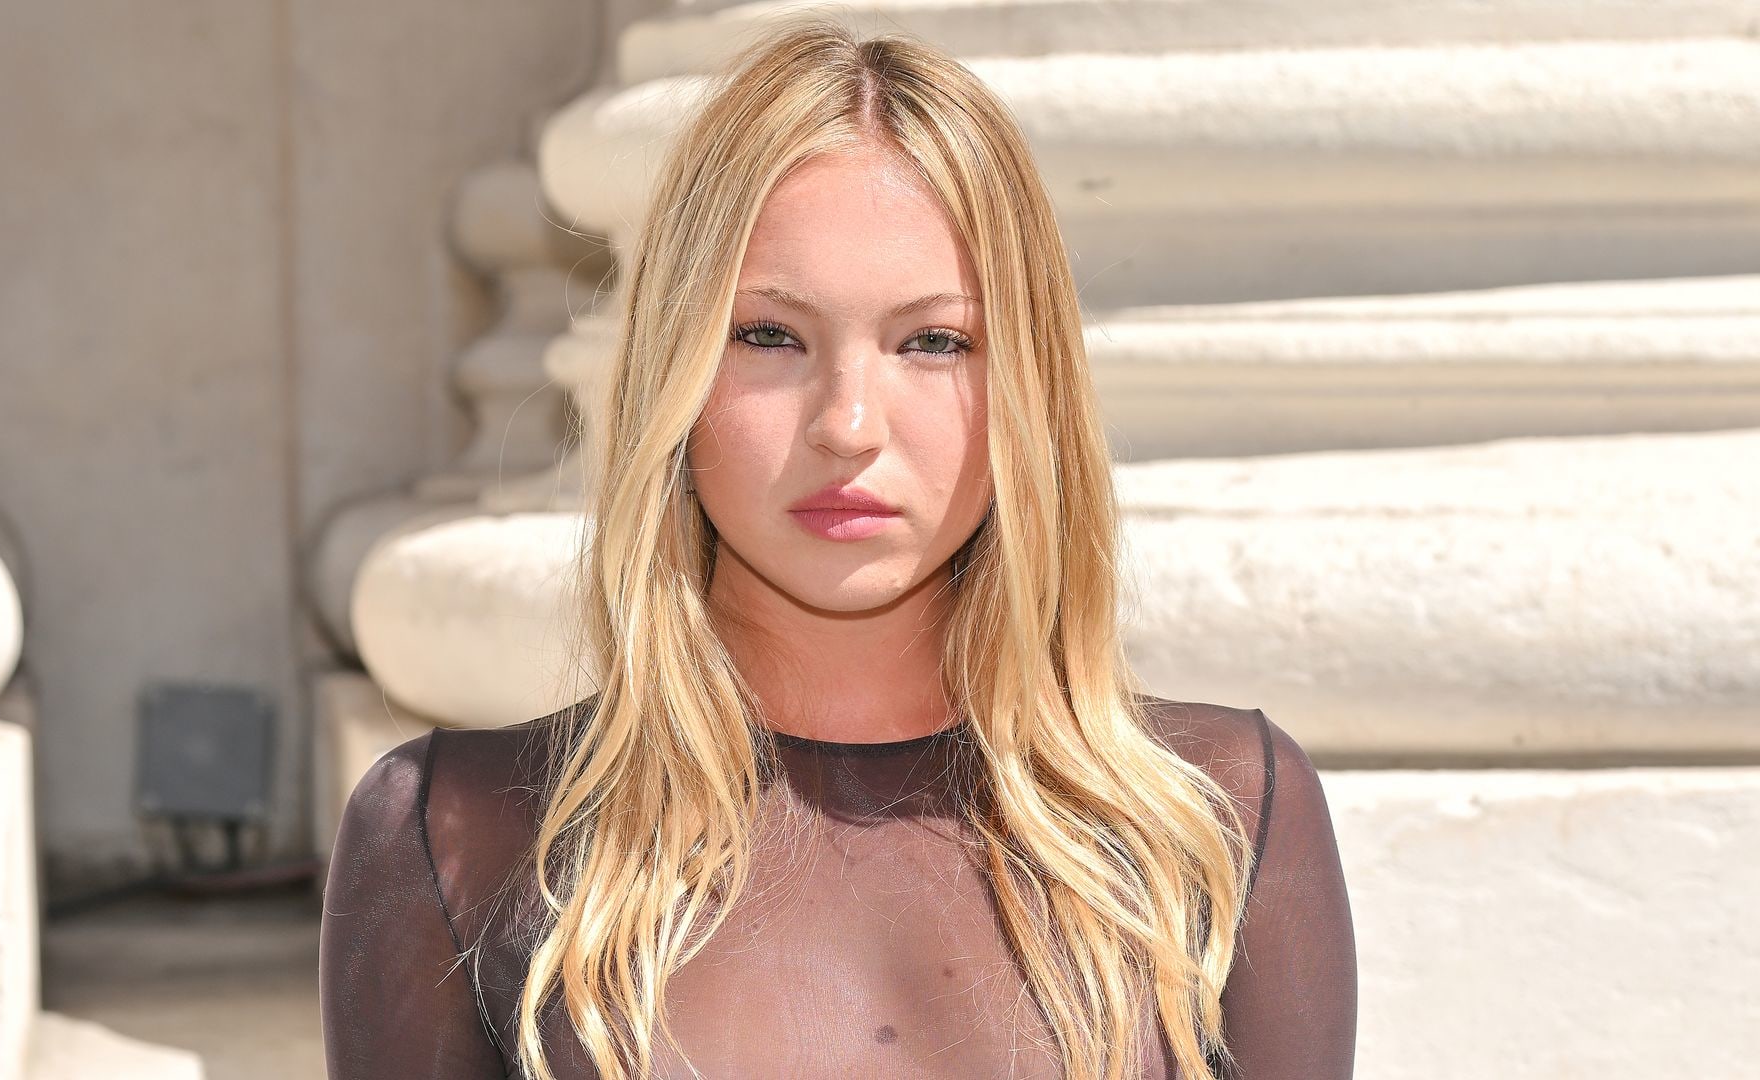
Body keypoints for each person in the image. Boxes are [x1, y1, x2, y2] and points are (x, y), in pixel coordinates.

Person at [320, 15, 1356, 1080]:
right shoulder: (453, 835)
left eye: (934, 342)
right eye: (770, 335)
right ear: (674, 371)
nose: (849, 423)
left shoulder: (1217, 823)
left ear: (1028, 389)